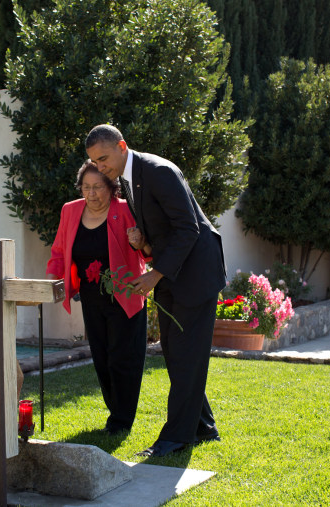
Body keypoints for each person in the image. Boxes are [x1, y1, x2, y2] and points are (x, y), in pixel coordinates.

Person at [85, 124, 225, 457]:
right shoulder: (128, 180)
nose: (100, 168)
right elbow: (164, 233)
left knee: (186, 356)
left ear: (122, 146)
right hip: (171, 276)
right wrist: (144, 245)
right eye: (94, 162)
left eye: (103, 159)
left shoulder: (159, 171)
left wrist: (154, 274)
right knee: (178, 355)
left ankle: (175, 438)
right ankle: (204, 427)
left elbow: (188, 228)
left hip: (196, 275)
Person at [46, 160, 148, 435]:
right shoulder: (70, 211)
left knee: (123, 358)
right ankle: (116, 409)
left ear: (111, 188)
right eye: (86, 187)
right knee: (102, 358)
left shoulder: (126, 210)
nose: (91, 193)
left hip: (125, 295)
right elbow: (59, 251)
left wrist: (139, 243)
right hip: (91, 297)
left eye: (97, 187)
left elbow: (149, 250)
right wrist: (51, 282)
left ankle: (121, 420)